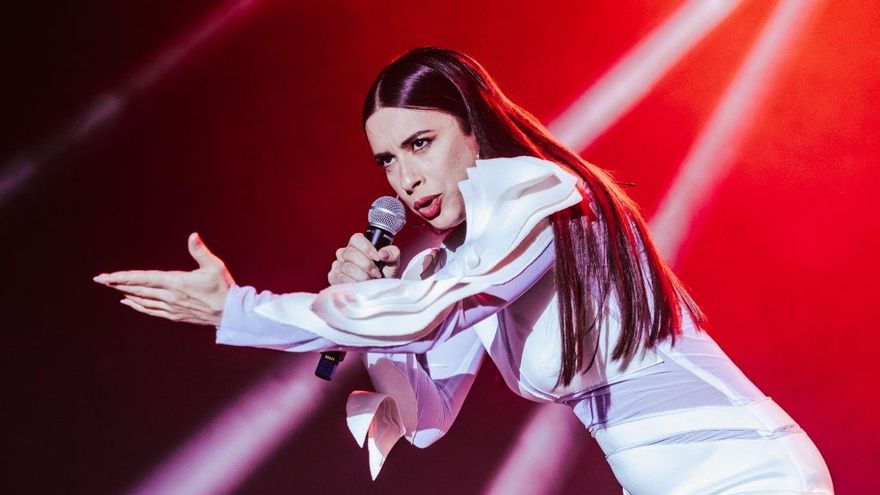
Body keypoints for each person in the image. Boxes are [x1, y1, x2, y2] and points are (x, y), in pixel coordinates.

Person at [93, 47, 834, 493]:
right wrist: (372, 306)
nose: (405, 178)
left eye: (420, 143)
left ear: (473, 128)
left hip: (747, 472)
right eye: (387, 160)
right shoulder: (452, 265)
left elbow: (434, 314)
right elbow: (421, 420)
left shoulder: (539, 194)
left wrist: (240, 308)